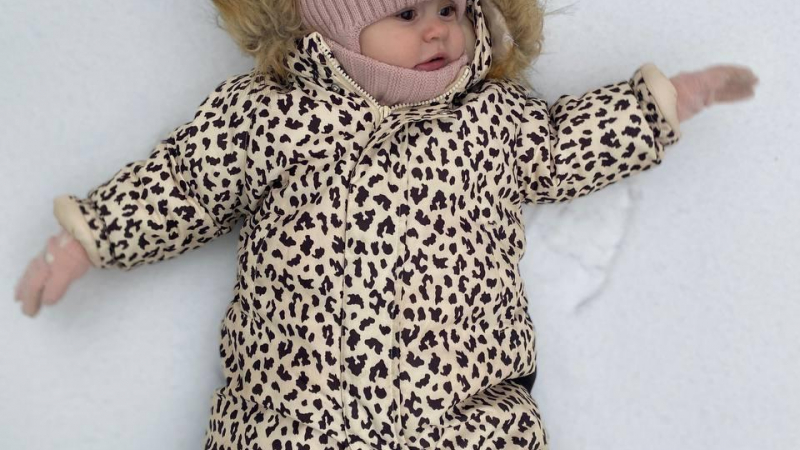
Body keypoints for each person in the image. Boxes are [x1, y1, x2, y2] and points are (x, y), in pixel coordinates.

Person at [14, 0, 758, 448]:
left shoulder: (490, 119)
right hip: (295, 416)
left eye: (449, 9)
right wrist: (88, 238)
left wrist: (665, 102)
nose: (437, 32)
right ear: (333, 22)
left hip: (464, 416)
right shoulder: (271, 114)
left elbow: (564, 147)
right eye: (405, 14)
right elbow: (185, 183)